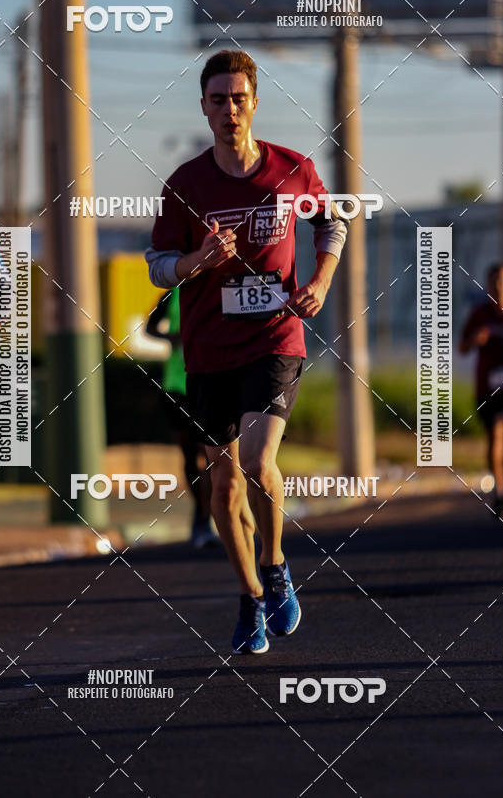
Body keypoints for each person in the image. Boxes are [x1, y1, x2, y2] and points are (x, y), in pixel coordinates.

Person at [145, 50, 346, 654]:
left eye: (238, 98)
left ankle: (277, 562)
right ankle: (250, 596)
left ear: (254, 102)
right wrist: (196, 261)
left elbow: (331, 225)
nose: (229, 109)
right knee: (222, 489)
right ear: (203, 108)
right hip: (209, 351)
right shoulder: (185, 185)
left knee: (258, 463)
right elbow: (157, 266)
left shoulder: (292, 169)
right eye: (217, 100)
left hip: (274, 340)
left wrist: (320, 281)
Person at [145, 288, 217, 549]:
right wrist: (172, 337)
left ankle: (205, 518)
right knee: (189, 456)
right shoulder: (171, 294)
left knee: (206, 453)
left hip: (207, 382)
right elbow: (149, 327)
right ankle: (201, 514)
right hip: (175, 385)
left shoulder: (216, 287)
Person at [460, 263, 503, 521]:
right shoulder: (480, 314)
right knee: (495, 437)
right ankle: (498, 489)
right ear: (488, 286)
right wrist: (476, 339)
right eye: (494, 281)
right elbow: (462, 347)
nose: (500, 285)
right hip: (486, 385)